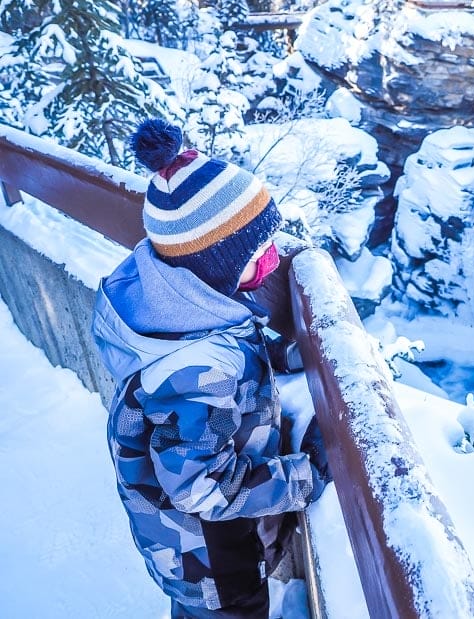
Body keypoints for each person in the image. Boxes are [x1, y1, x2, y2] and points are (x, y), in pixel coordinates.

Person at [91, 118, 330, 618]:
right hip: (211, 563)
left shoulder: (183, 305)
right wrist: (306, 475)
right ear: (217, 265)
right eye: (257, 250)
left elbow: (224, 397)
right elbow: (203, 484)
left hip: (195, 543)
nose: (272, 257)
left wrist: (279, 355)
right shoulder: (197, 375)